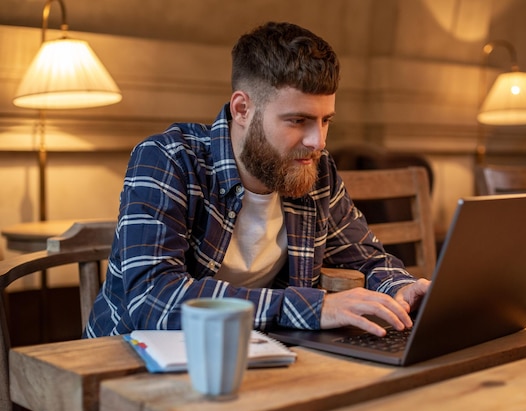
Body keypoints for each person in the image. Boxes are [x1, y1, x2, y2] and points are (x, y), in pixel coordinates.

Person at [85, 21, 430, 339]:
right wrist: (312, 307)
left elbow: (367, 260)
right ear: (241, 110)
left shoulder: (315, 168)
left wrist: (400, 288)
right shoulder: (168, 159)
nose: (318, 141)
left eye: (326, 121)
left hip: (258, 353)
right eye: (298, 120)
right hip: (134, 361)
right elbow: (152, 299)